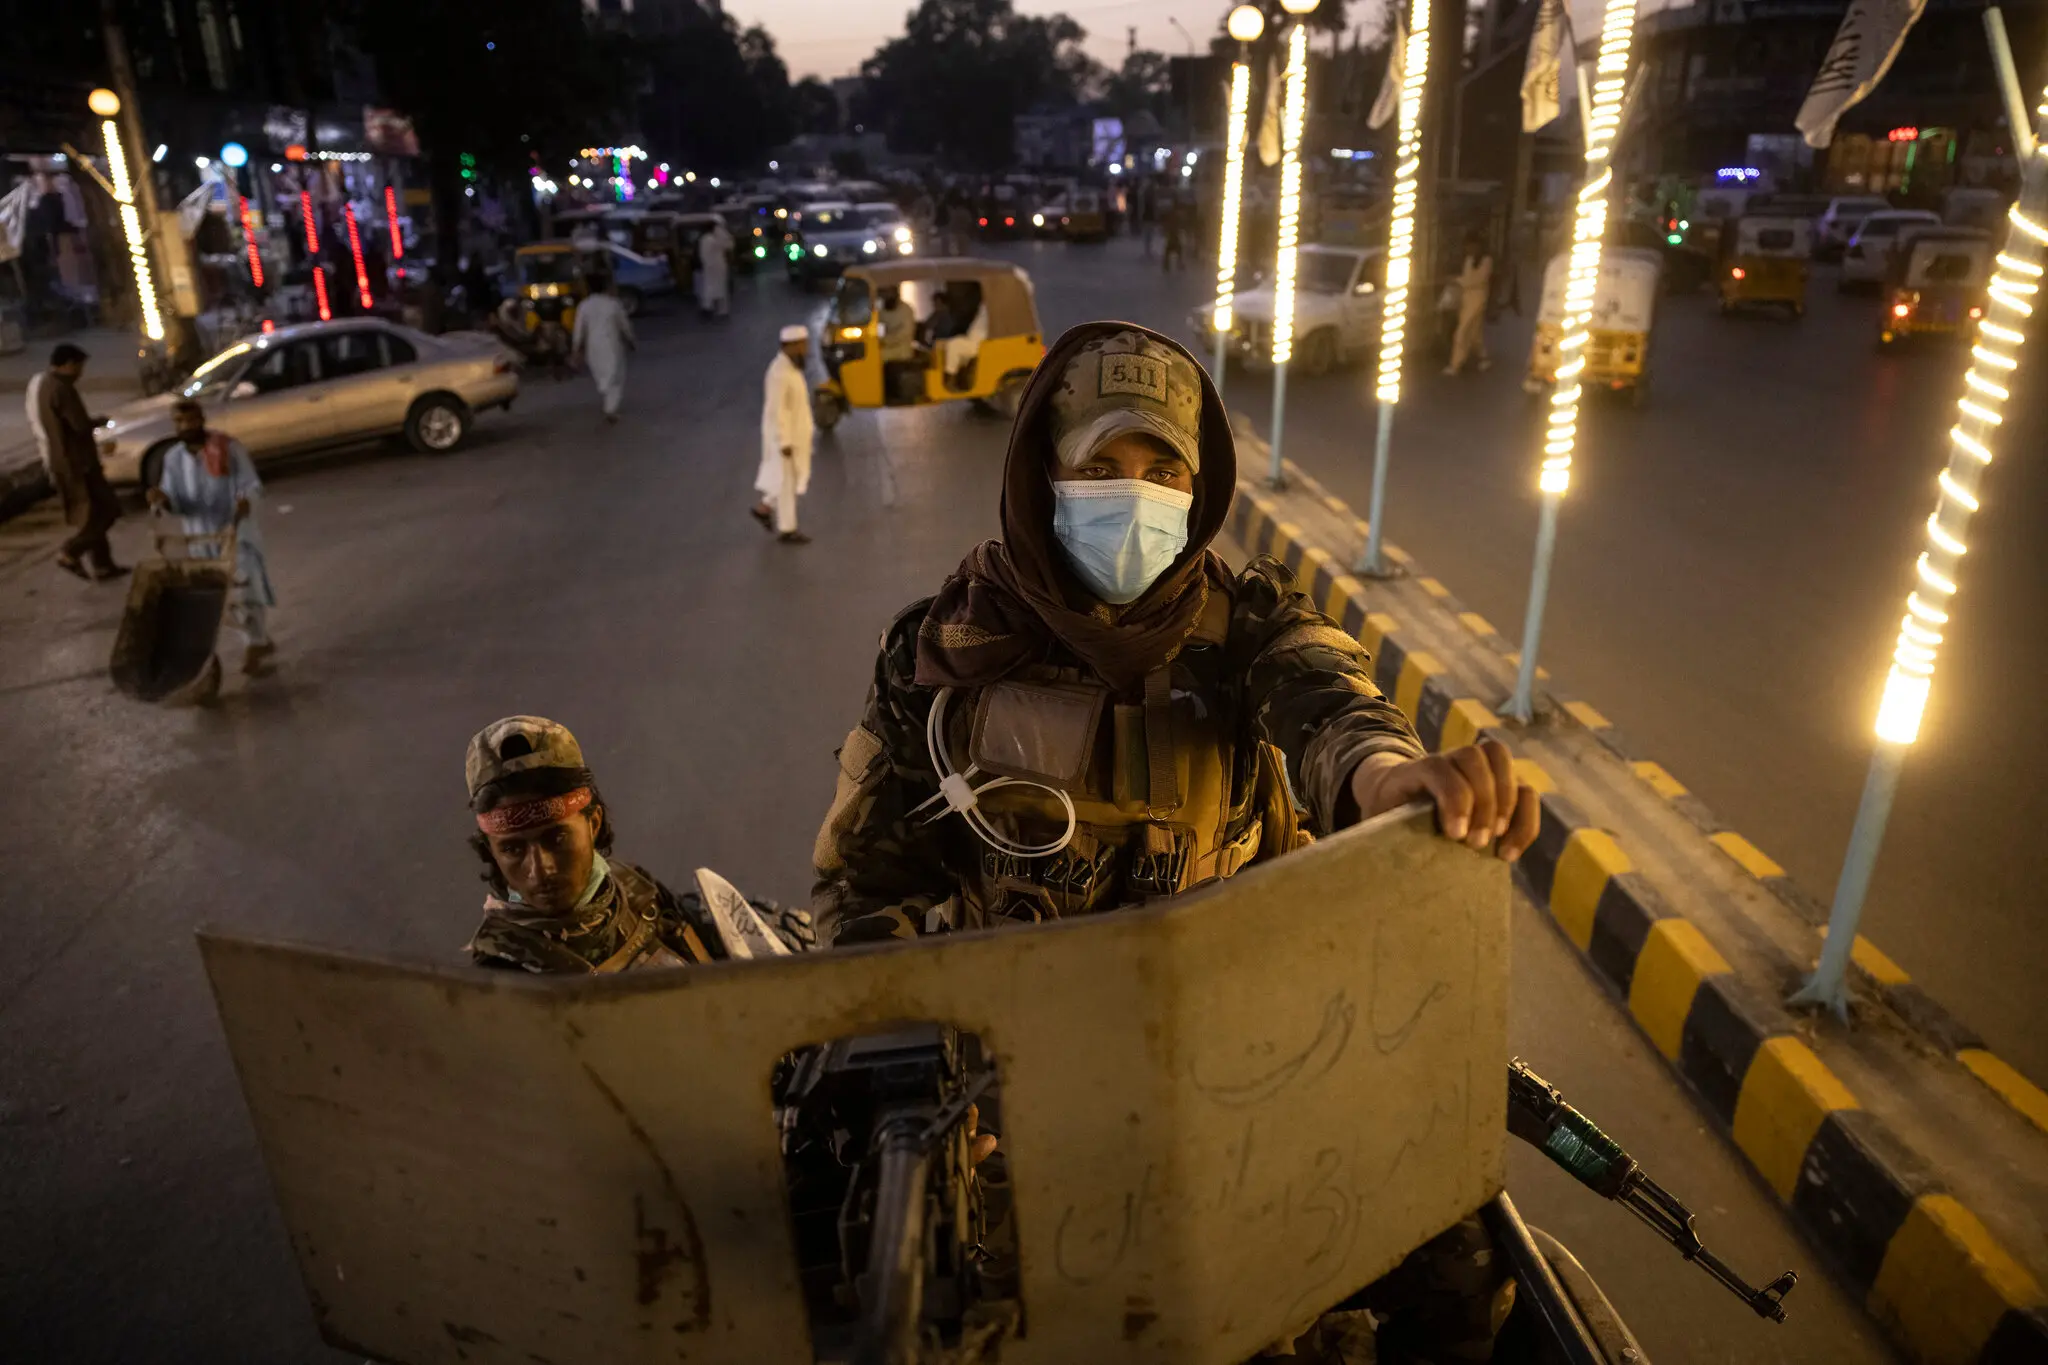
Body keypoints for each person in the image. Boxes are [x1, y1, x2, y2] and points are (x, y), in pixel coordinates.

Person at [811, 323, 1537, 1362]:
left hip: (1241, 1060)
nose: (1131, 494)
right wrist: (922, 1076)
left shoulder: (1242, 628)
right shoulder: (940, 659)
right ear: (1041, 473)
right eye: (1099, 467)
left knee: (1459, 1281)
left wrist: (1385, 775)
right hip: (1014, 1094)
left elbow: (1327, 696)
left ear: (1197, 491)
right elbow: (855, 889)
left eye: (1161, 469)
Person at [463, 715, 813, 973]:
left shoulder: (635, 891)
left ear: (593, 823)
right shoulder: (499, 977)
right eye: (513, 849)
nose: (540, 870)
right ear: (491, 852)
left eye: (556, 838)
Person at [146, 399, 278, 674]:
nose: (186, 426)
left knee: (244, 589)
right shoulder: (173, 459)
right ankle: (258, 639)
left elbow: (251, 483)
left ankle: (254, 644)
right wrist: (162, 499)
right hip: (200, 538)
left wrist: (245, 502)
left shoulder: (228, 447)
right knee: (217, 598)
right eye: (180, 422)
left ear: (202, 419)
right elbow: (174, 501)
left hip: (235, 531)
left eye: (191, 420)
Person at [26, 343, 125, 582]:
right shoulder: (62, 389)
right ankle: (70, 551)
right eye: (80, 366)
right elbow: (79, 425)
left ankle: (103, 566)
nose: (81, 372)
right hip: (80, 464)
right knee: (109, 510)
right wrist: (99, 422)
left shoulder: (44, 385)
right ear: (69, 364)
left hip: (63, 461)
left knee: (92, 515)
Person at [752, 324, 814, 545]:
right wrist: (785, 441)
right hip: (784, 439)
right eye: (803, 346)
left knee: (783, 478)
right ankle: (788, 529)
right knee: (786, 483)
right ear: (791, 346)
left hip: (793, 435)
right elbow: (777, 410)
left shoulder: (791, 367)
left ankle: (764, 508)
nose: (806, 350)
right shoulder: (779, 373)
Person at [571, 271, 635, 423]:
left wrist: (576, 350)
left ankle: (609, 402)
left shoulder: (584, 306)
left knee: (603, 375)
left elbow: (579, 330)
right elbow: (624, 325)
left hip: (593, 347)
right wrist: (631, 341)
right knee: (615, 376)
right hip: (612, 345)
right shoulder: (613, 304)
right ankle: (610, 409)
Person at [1445, 231, 1494, 376]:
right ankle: (1483, 358)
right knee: (1474, 333)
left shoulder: (1486, 260)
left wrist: (1458, 281)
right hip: (1467, 298)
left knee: (1462, 331)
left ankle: (1455, 364)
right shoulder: (1469, 259)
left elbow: (1478, 279)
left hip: (1478, 298)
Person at [877, 285, 921, 403]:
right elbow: (876, 319)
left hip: (902, 348)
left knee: (875, 357)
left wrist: (884, 340)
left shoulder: (906, 310)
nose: (885, 298)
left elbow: (904, 334)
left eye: (887, 294)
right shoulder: (885, 310)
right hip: (889, 346)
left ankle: (883, 392)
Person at [695, 219, 734, 319]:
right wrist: (723, 233)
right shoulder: (712, 240)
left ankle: (708, 308)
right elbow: (729, 245)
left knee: (710, 288)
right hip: (717, 267)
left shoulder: (704, 239)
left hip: (709, 267)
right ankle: (720, 311)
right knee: (720, 289)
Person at [1160, 197, 1186, 273]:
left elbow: (1167, 224)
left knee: (1169, 250)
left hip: (1172, 234)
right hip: (1174, 234)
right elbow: (1179, 224)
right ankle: (1178, 264)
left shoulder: (1171, 213)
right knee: (1177, 249)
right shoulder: (1177, 215)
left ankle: (1167, 265)